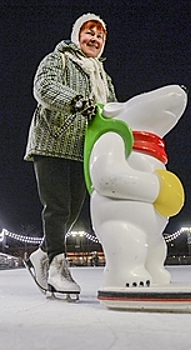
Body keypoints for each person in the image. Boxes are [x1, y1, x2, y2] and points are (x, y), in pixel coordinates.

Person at [24, 13, 117, 295]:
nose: (95, 39)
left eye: (100, 36)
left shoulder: (103, 76)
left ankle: (41, 253)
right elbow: (44, 87)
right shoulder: (59, 59)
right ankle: (56, 265)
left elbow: (111, 108)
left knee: (73, 210)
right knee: (57, 207)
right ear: (77, 35)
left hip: (84, 149)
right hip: (52, 140)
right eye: (90, 33)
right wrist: (75, 101)